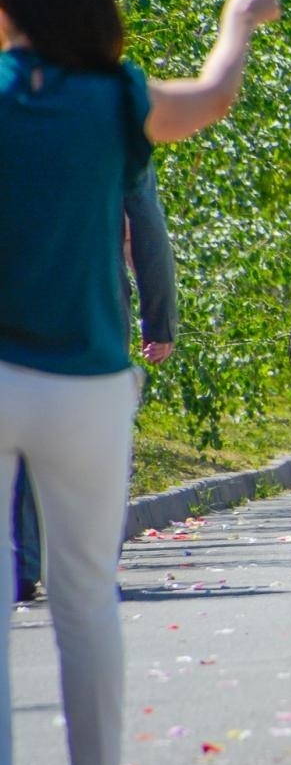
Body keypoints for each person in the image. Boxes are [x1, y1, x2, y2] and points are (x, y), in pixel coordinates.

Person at [0, 0, 291, 765]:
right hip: (83, 381)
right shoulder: (116, 99)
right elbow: (212, 95)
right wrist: (239, 15)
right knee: (83, 593)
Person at [12, 163, 179, 605]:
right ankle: (87, 563)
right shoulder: (111, 128)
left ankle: (21, 563)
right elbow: (147, 227)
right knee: (92, 431)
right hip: (94, 303)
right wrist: (159, 319)